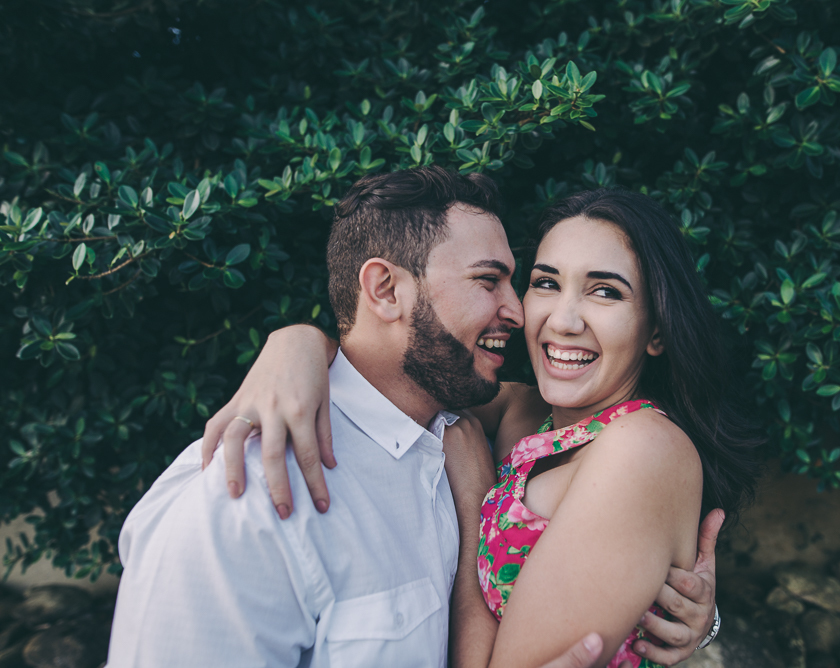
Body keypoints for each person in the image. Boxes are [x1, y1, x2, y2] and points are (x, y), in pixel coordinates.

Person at [106, 167, 719, 668]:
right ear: (385, 290)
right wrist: (295, 342)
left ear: (657, 329)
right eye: (509, 281)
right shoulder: (248, 500)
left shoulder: (472, 433)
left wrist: (477, 498)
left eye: (606, 291)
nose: (528, 313)